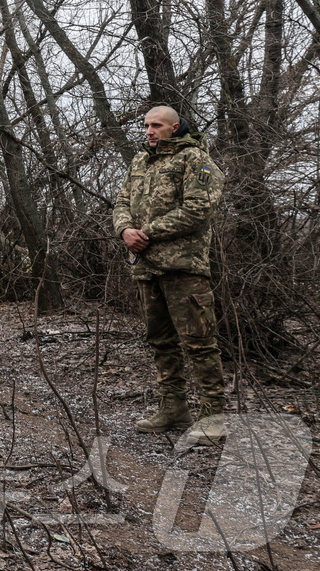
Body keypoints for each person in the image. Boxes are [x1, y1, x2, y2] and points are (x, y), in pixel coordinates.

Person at [113, 105, 228, 445]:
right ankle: (174, 408)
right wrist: (124, 230)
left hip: (183, 267)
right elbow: (121, 202)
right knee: (160, 342)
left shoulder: (195, 159)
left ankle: (213, 417)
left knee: (199, 343)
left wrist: (146, 232)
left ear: (175, 127)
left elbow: (199, 209)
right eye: (146, 125)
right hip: (146, 267)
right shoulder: (140, 161)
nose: (149, 131)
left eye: (157, 125)